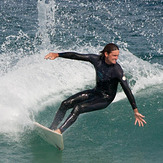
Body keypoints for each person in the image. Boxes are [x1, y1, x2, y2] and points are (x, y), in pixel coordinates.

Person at [44, 43, 146, 134]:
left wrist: (135, 110)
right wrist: (57, 54)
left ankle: (59, 131)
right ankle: (52, 128)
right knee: (65, 103)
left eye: (117, 56)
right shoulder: (96, 60)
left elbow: (127, 90)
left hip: (105, 99)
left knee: (78, 108)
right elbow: (76, 56)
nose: (116, 58)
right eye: (114, 55)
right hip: (95, 92)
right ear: (106, 54)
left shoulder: (117, 70)